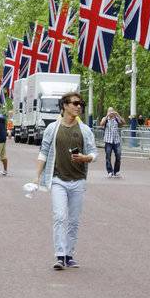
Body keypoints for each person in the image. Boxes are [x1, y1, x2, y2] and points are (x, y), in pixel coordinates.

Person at [38, 92, 96, 270]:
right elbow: (44, 152)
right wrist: (37, 176)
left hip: (78, 181)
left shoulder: (85, 130)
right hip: (58, 180)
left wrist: (86, 158)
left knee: (73, 220)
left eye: (81, 104)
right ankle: (60, 255)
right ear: (64, 106)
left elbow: (94, 153)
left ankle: (69, 254)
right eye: (75, 103)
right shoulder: (52, 129)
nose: (79, 106)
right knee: (60, 217)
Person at [100, 107, 123, 177]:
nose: (111, 112)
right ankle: (110, 171)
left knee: (118, 156)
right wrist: (107, 116)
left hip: (116, 141)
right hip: (108, 141)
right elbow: (101, 124)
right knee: (108, 156)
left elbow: (123, 123)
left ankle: (116, 171)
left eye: (112, 111)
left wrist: (118, 114)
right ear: (107, 112)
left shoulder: (116, 118)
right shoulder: (105, 118)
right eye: (109, 111)